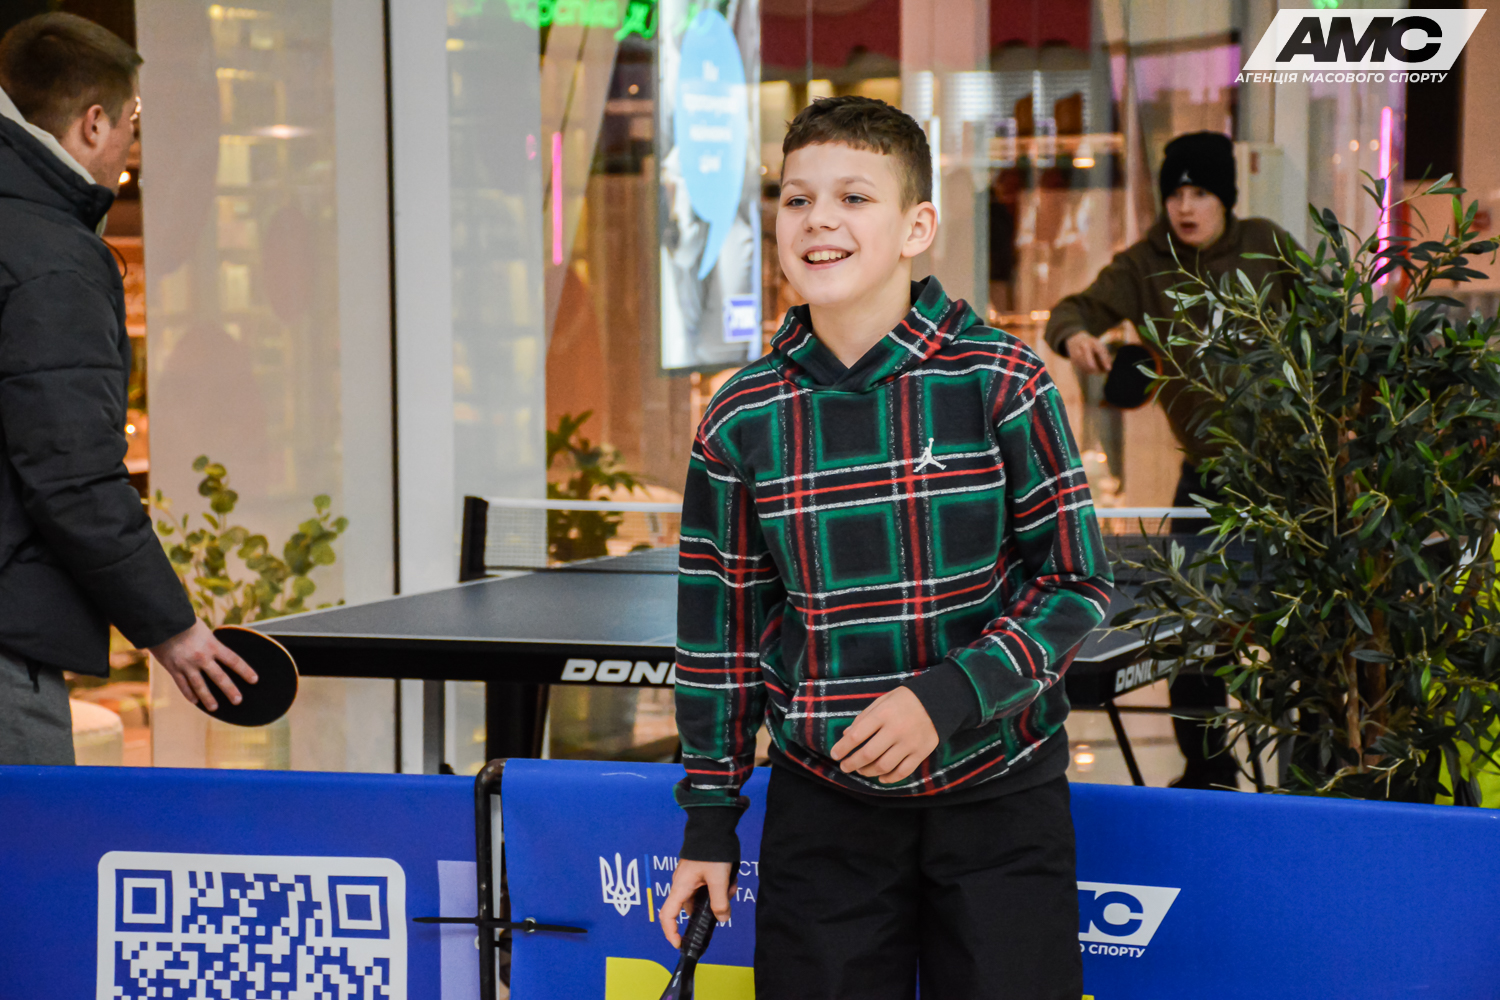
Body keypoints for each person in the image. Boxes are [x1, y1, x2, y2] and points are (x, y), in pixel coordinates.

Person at [658, 95, 1114, 1000]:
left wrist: (947, 698)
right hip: (823, 810)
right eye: (797, 199)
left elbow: (1077, 582)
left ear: (917, 227)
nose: (819, 219)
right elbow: (720, 640)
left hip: (1000, 798)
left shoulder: (1001, 378)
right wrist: (709, 823)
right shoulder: (741, 416)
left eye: (854, 198)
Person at [0, 13, 256, 766]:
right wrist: (172, 630)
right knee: (31, 843)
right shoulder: (53, 260)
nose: (130, 148)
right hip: (6, 653)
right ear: (93, 123)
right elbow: (71, 474)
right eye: (131, 123)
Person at [1044, 131, 1300, 789]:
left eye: (1200, 193)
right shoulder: (1146, 263)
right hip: (1207, 476)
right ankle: (1207, 769)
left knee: (1301, 625)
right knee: (1191, 626)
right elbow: (1071, 311)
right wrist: (1076, 335)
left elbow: (1330, 325)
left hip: (1292, 476)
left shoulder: (1267, 246)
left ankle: (1315, 769)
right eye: (1176, 193)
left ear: (1226, 198)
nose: (1185, 206)